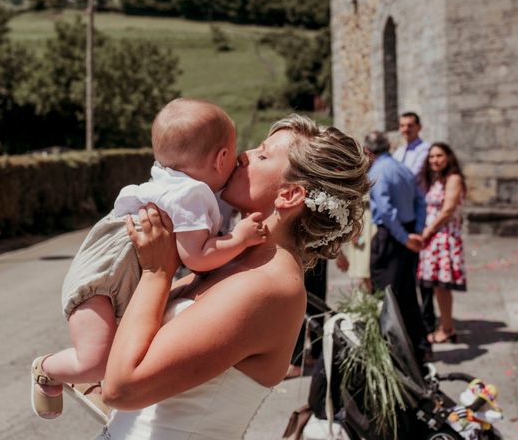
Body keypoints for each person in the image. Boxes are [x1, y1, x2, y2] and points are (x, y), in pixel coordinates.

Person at [100, 114, 371, 439]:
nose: (243, 155)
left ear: (289, 196)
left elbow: (122, 390)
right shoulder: (228, 259)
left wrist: (156, 273)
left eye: (263, 154)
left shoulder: (268, 286)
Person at [31, 98, 268, 421]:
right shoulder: (192, 195)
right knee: (97, 360)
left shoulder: (173, 181)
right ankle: (46, 369)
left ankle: (96, 387)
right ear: (222, 157)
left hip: (118, 272)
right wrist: (240, 238)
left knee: (121, 348)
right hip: (103, 274)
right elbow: (196, 258)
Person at [363, 131, 430, 365]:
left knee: (385, 295)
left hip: (392, 237)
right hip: (407, 232)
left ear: (368, 152)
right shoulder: (402, 168)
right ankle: (419, 345)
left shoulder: (377, 172)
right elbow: (421, 201)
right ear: (389, 146)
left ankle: (390, 350)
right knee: (407, 292)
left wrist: (405, 237)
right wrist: (417, 231)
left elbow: (385, 210)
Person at [417, 142, 467, 344]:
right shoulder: (438, 179)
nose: (435, 160)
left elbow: (448, 210)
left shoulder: (453, 179)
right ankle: (447, 326)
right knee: (438, 286)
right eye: (431, 157)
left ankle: (447, 328)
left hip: (443, 236)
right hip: (435, 238)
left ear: (448, 157)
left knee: (442, 286)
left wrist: (427, 231)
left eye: (439, 156)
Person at [392, 111, 430, 182]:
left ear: (419, 127)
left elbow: (413, 175)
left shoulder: (425, 149)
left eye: (410, 125)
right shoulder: (399, 151)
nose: (406, 129)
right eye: (402, 126)